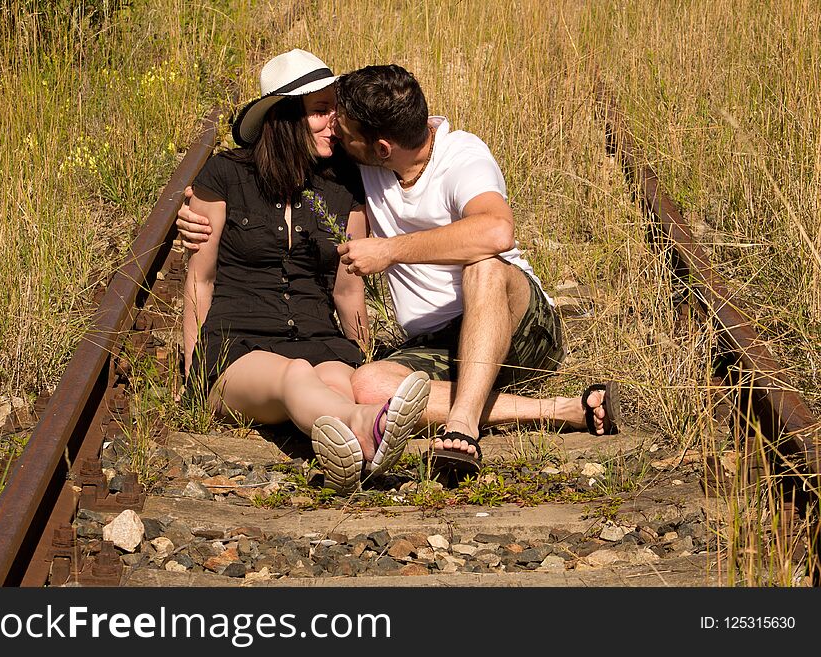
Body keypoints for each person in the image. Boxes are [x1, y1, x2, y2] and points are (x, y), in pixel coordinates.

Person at [178, 62, 619, 483]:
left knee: (482, 265)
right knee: (364, 383)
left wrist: (390, 251)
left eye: (338, 116)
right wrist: (191, 211)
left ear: (381, 148)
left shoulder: (454, 156)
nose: (334, 125)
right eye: (321, 112)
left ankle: (460, 427)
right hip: (430, 343)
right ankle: (557, 411)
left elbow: (496, 231)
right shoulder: (353, 168)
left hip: (514, 322)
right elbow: (207, 268)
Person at [181, 49, 430, 495]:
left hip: (320, 337)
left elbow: (348, 291)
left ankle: (353, 454)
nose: (333, 121)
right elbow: (200, 279)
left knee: (338, 380)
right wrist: (194, 367)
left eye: (335, 107)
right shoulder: (224, 174)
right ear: (284, 117)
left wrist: (361, 355)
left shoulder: (344, 183)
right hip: (238, 345)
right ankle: (367, 427)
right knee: (295, 373)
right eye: (320, 111)